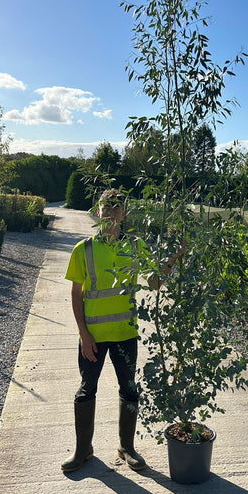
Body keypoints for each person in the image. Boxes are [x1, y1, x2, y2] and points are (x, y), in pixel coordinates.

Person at [61, 188, 182, 473]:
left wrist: (174, 256)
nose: (111, 212)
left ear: (124, 213)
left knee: (129, 390)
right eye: (106, 207)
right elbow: (76, 295)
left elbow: (153, 282)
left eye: (117, 207)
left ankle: (126, 447)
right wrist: (84, 334)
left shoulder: (135, 246)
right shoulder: (84, 250)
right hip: (93, 338)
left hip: (125, 336)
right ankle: (83, 449)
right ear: (98, 211)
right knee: (86, 390)